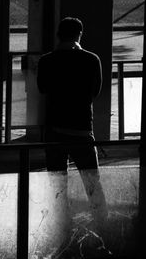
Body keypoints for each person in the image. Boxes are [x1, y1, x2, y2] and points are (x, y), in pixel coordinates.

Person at [37, 17, 108, 238]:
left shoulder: (47, 61)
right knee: (91, 181)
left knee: (57, 181)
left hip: (55, 129)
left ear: (58, 35)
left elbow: (42, 88)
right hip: (82, 129)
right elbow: (95, 92)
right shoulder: (91, 60)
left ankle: (60, 228)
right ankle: (103, 228)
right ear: (79, 35)